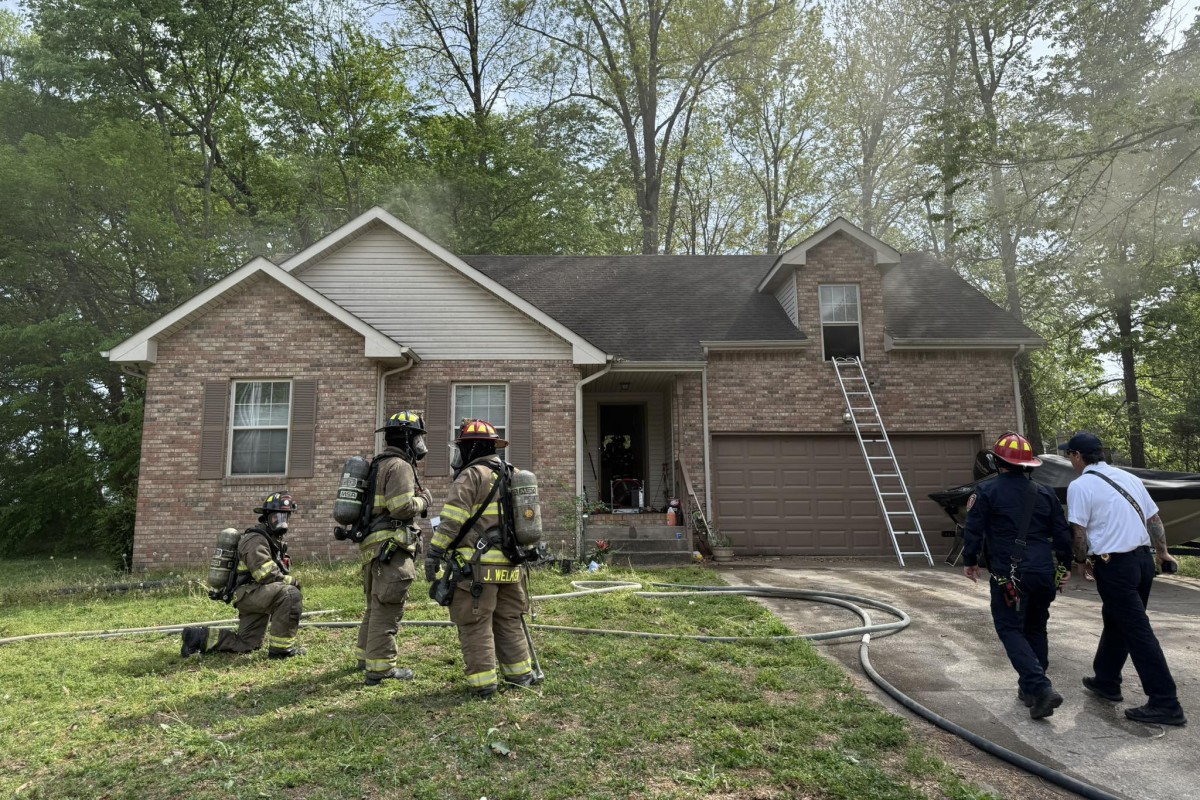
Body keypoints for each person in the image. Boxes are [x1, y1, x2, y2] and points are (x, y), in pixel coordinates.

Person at [1060, 431, 1186, 726]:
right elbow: (1154, 519)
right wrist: (1162, 553)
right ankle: (1105, 680)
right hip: (1142, 562)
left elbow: (1078, 531)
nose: (1070, 460)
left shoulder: (1080, 486)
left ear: (1078, 456)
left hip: (1115, 565)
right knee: (1118, 621)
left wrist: (1080, 561)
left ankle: (1166, 702)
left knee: (1137, 630)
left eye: (1070, 455)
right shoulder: (1129, 478)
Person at [962, 433, 1073, 720]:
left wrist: (970, 561)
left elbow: (973, 528)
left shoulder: (986, 491)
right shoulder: (1045, 493)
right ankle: (1031, 691)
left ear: (997, 462)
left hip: (1009, 574)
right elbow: (1062, 533)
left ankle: (1040, 686)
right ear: (1028, 465)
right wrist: (1065, 566)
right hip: (1043, 572)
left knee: (1010, 629)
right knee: (1036, 628)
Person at [425, 419, 539, 698]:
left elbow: (452, 521)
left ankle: (484, 684)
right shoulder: (514, 474)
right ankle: (520, 675)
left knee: (474, 623)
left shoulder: (471, 475)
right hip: (512, 567)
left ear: (473, 448)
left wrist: (435, 552)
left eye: (462, 448)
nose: (459, 455)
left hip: (478, 567)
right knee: (509, 619)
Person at [356, 410, 433, 686]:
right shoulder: (399, 466)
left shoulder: (378, 463)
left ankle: (366, 656)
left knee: (374, 606)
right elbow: (401, 507)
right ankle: (381, 668)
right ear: (408, 439)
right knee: (387, 608)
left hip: (372, 549)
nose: (421, 445)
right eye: (418, 438)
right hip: (391, 550)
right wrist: (424, 500)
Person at [181, 492, 305, 659]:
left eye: (284, 517)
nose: (280, 522)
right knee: (290, 594)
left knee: (247, 644)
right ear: (266, 517)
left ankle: (197, 638)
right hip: (250, 593)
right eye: (276, 517)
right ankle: (281, 652)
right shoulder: (255, 539)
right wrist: (291, 581)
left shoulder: (274, 541)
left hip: (258, 594)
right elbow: (264, 573)